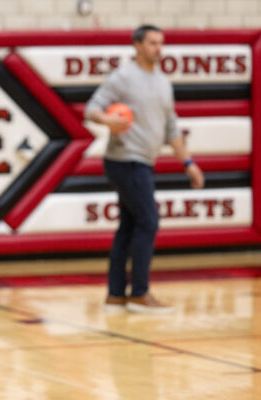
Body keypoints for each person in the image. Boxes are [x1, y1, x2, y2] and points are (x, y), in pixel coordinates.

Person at [85, 25, 205, 314]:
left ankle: (116, 295)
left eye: (161, 43)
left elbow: (171, 128)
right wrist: (107, 121)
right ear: (137, 45)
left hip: (143, 163)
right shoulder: (122, 77)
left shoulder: (163, 82)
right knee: (148, 221)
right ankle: (139, 293)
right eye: (153, 43)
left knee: (129, 225)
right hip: (125, 160)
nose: (159, 49)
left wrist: (188, 163)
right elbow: (92, 109)